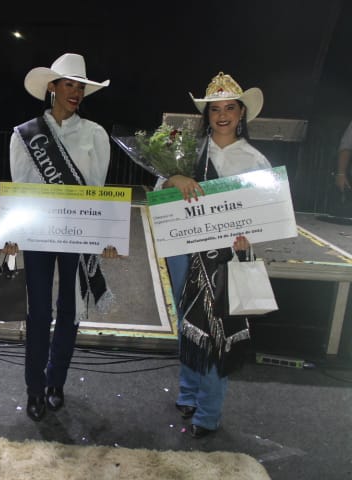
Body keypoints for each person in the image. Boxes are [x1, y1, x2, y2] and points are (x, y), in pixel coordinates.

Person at [1, 53, 120, 421]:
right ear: (52, 87)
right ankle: (34, 388)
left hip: (76, 238)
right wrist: (12, 236)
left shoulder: (95, 135)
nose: (76, 92)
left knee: (69, 313)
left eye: (80, 86)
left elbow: (98, 192)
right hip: (38, 235)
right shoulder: (25, 134)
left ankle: (56, 383)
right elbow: (20, 188)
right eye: (69, 84)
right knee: (39, 312)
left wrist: (105, 237)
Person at [161, 72, 271, 438]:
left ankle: (208, 413)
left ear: (242, 114)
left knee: (217, 328)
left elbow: (266, 211)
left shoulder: (256, 160)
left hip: (224, 255)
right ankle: (188, 393)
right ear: (206, 115)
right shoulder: (188, 152)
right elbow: (160, 192)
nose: (222, 115)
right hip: (183, 250)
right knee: (189, 323)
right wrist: (174, 179)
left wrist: (248, 239)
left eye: (229, 108)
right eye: (215, 109)